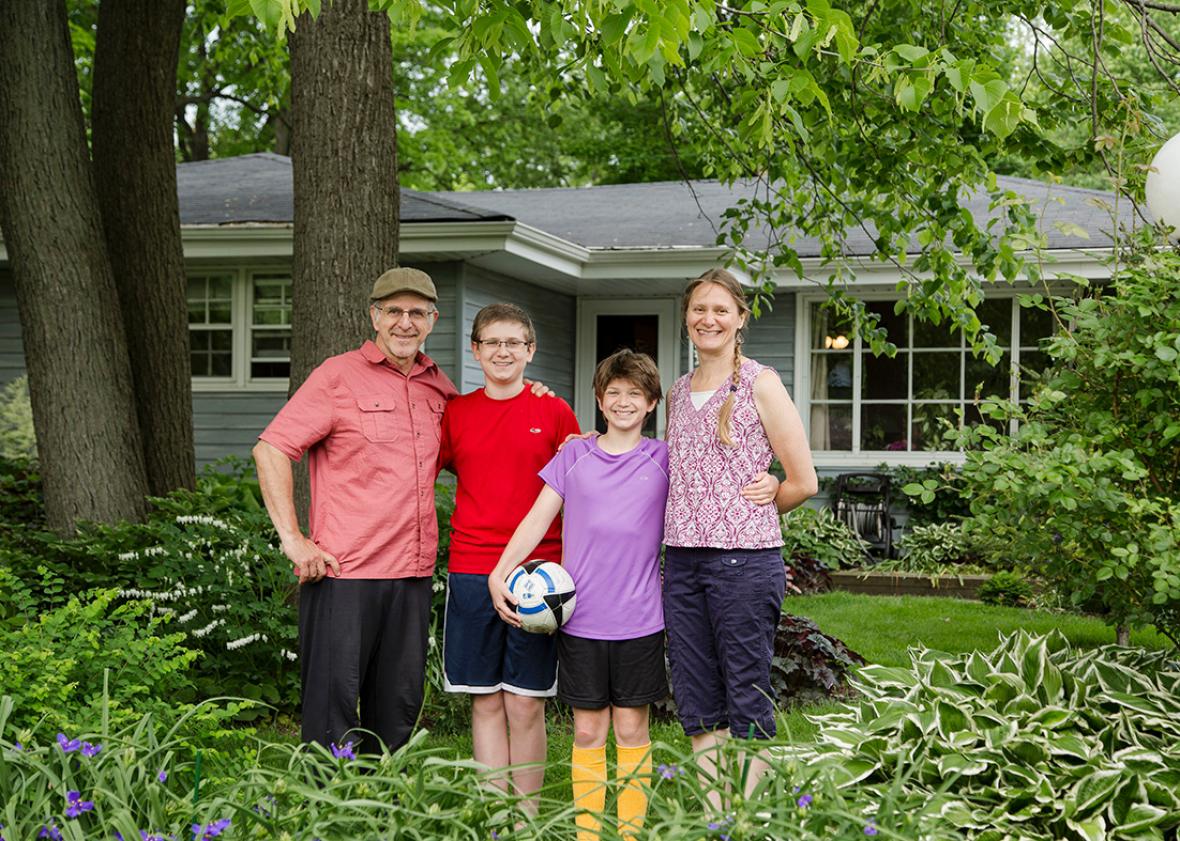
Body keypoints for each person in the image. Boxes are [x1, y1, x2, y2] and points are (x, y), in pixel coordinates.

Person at [489, 349, 670, 841]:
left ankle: (630, 834)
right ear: (598, 399)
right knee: (588, 731)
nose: (623, 402)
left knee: (633, 730)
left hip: (640, 621)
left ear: (652, 402)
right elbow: (536, 520)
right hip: (581, 622)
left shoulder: (664, 460)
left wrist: (768, 482)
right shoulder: (574, 455)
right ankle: (588, 834)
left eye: (635, 394)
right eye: (614, 393)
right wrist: (501, 571)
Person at [663, 268, 818, 796]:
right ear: (687, 318)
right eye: (699, 309)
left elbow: (804, 481)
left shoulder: (761, 382)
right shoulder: (679, 392)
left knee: (745, 691)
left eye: (720, 309)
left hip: (744, 562)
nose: (709, 318)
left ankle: (748, 814)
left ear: (740, 318)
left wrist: (770, 494)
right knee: (696, 694)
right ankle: (714, 814)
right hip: (682, 562)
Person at [437, 303, 580, 815]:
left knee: (524, 700)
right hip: (473, 568)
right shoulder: (454, 413)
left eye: (513, 343)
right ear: (475, 350)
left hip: (538, 574)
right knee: (484, 698)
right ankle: (495, 815)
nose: (502, 351)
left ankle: (528, 818)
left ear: (530, 351)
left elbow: (581, 482)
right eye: (491, 342)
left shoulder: (553, 411)